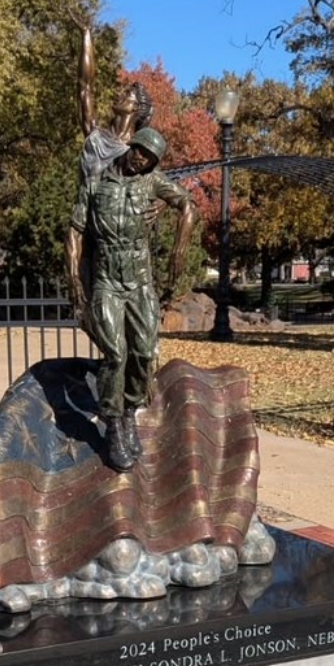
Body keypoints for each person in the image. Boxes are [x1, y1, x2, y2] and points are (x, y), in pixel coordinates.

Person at [65, 128, 197, 473]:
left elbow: (187, 203)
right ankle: (112, 424)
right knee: (116, 353)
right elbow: (76, 232)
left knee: (143, 349)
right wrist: (75, 278)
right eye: (141, 153)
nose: (142, 162)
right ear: (132, 147)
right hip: (107, 279)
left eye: (150, 160)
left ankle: (128, 413)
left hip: (139, 280)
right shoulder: (94, 184)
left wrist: (180, 243)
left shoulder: (152, 182)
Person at [72, 16, 154, 183]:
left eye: (127, 94)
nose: (119, 95)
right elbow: (84, 86)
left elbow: (157, 186)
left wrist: (163, 203)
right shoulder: (96, 135)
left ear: (136, 108)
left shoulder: (136, 153)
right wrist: (86, 37)